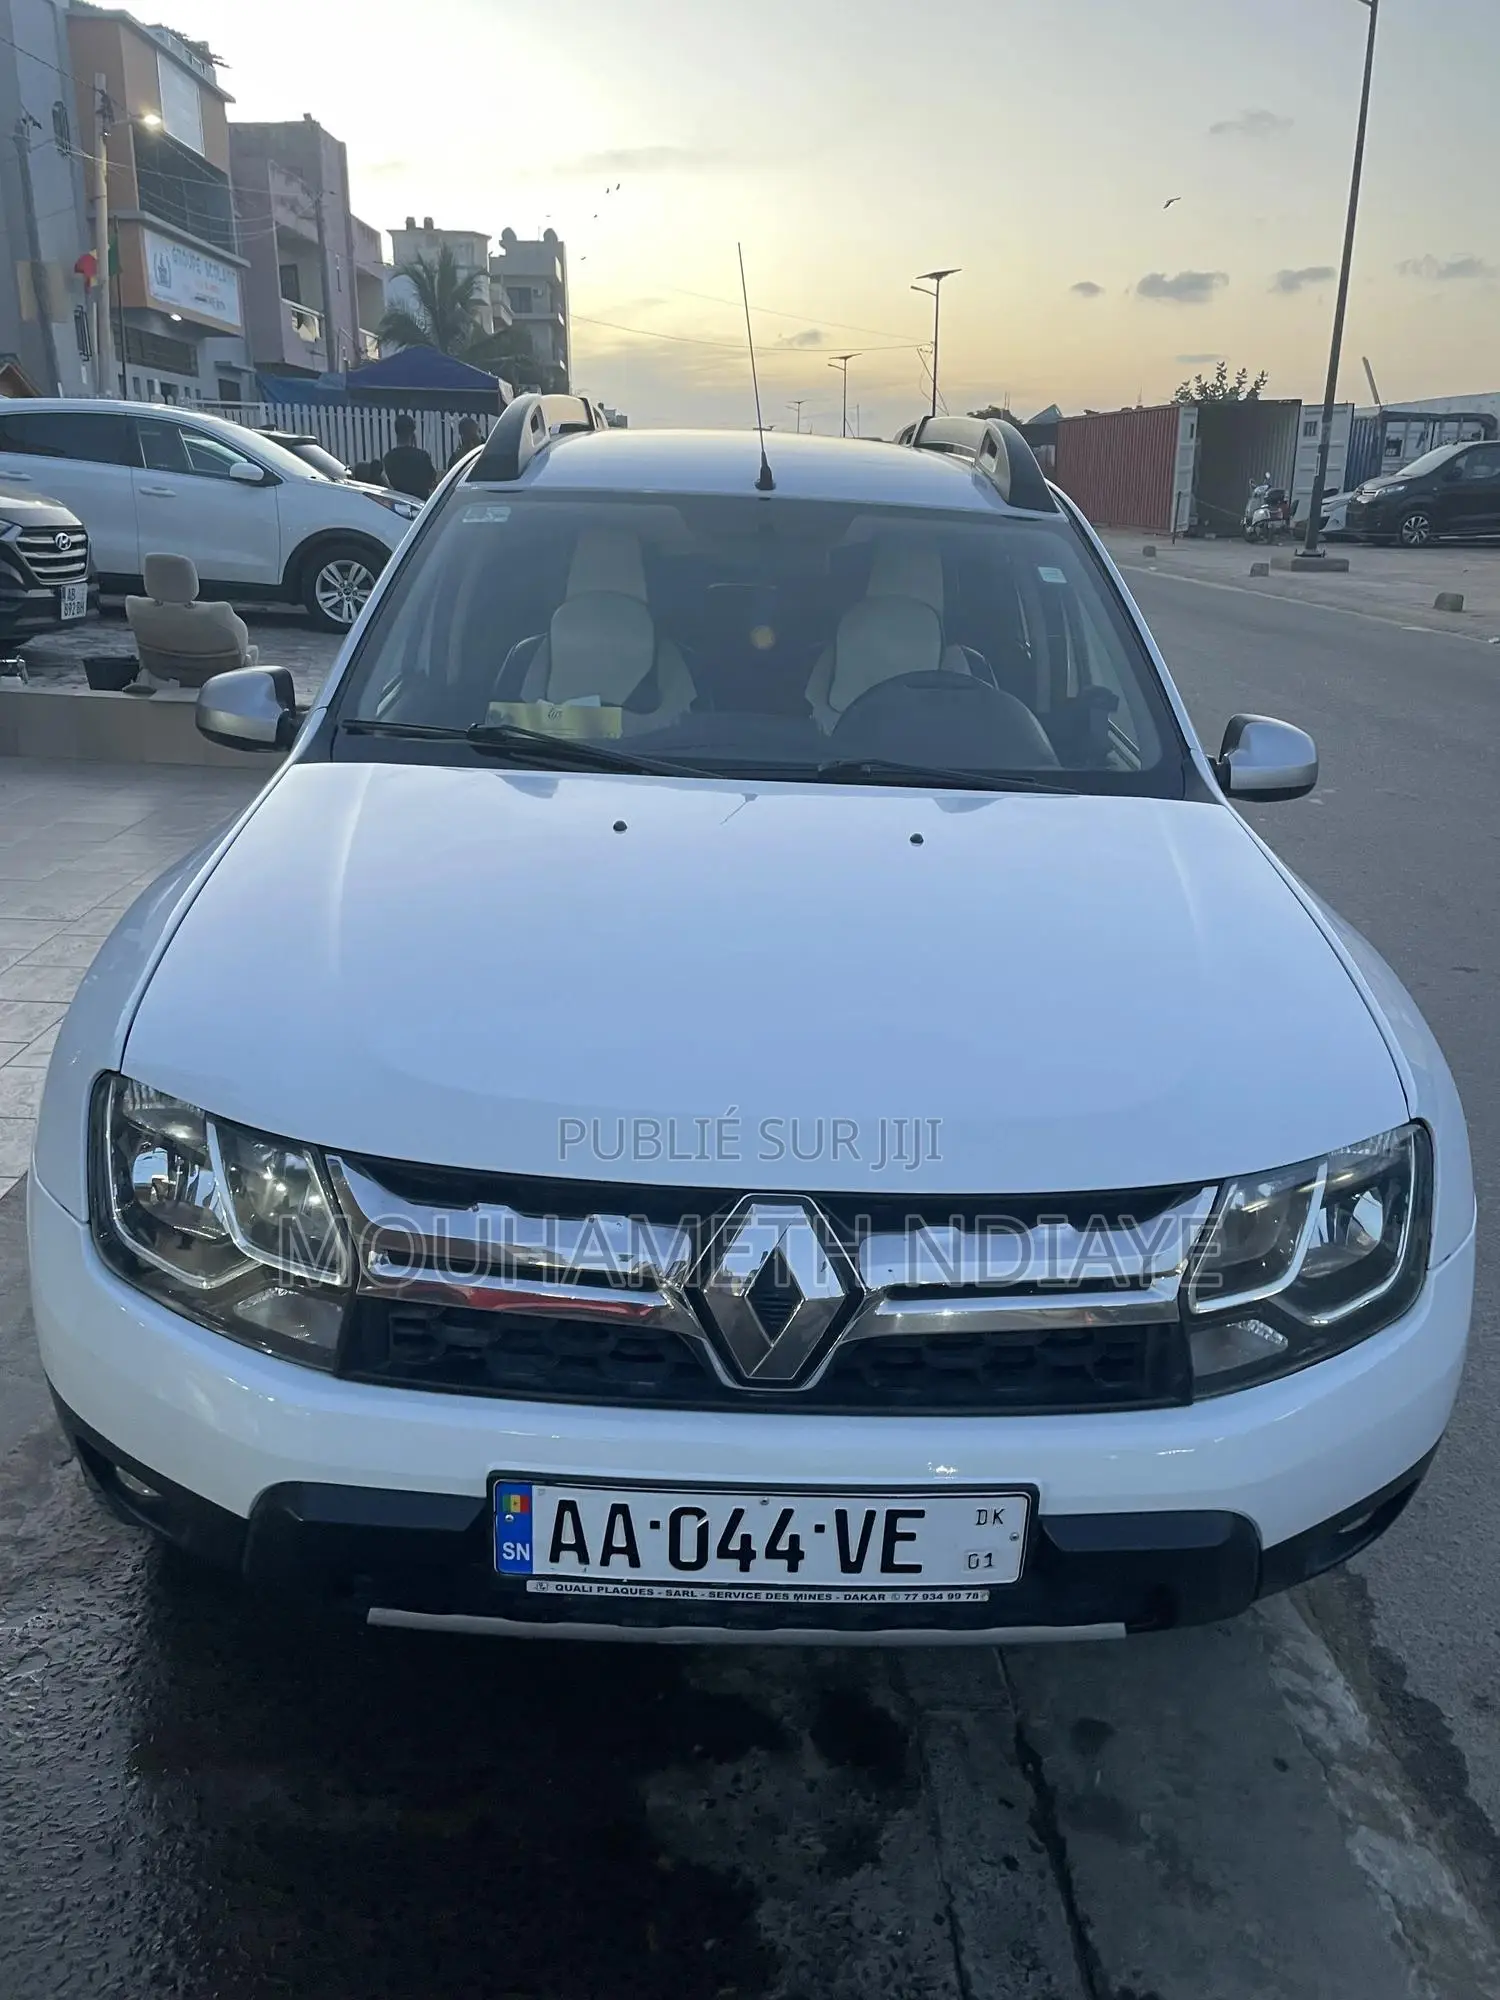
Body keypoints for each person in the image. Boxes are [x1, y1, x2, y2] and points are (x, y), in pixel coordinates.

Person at [382, 416, 437, 501]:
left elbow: (388, 483)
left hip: (399, 502)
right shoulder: (422, 456)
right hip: (421, 503)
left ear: (396, 432)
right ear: (412, 433)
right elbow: (432, 480)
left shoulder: (389, 458)